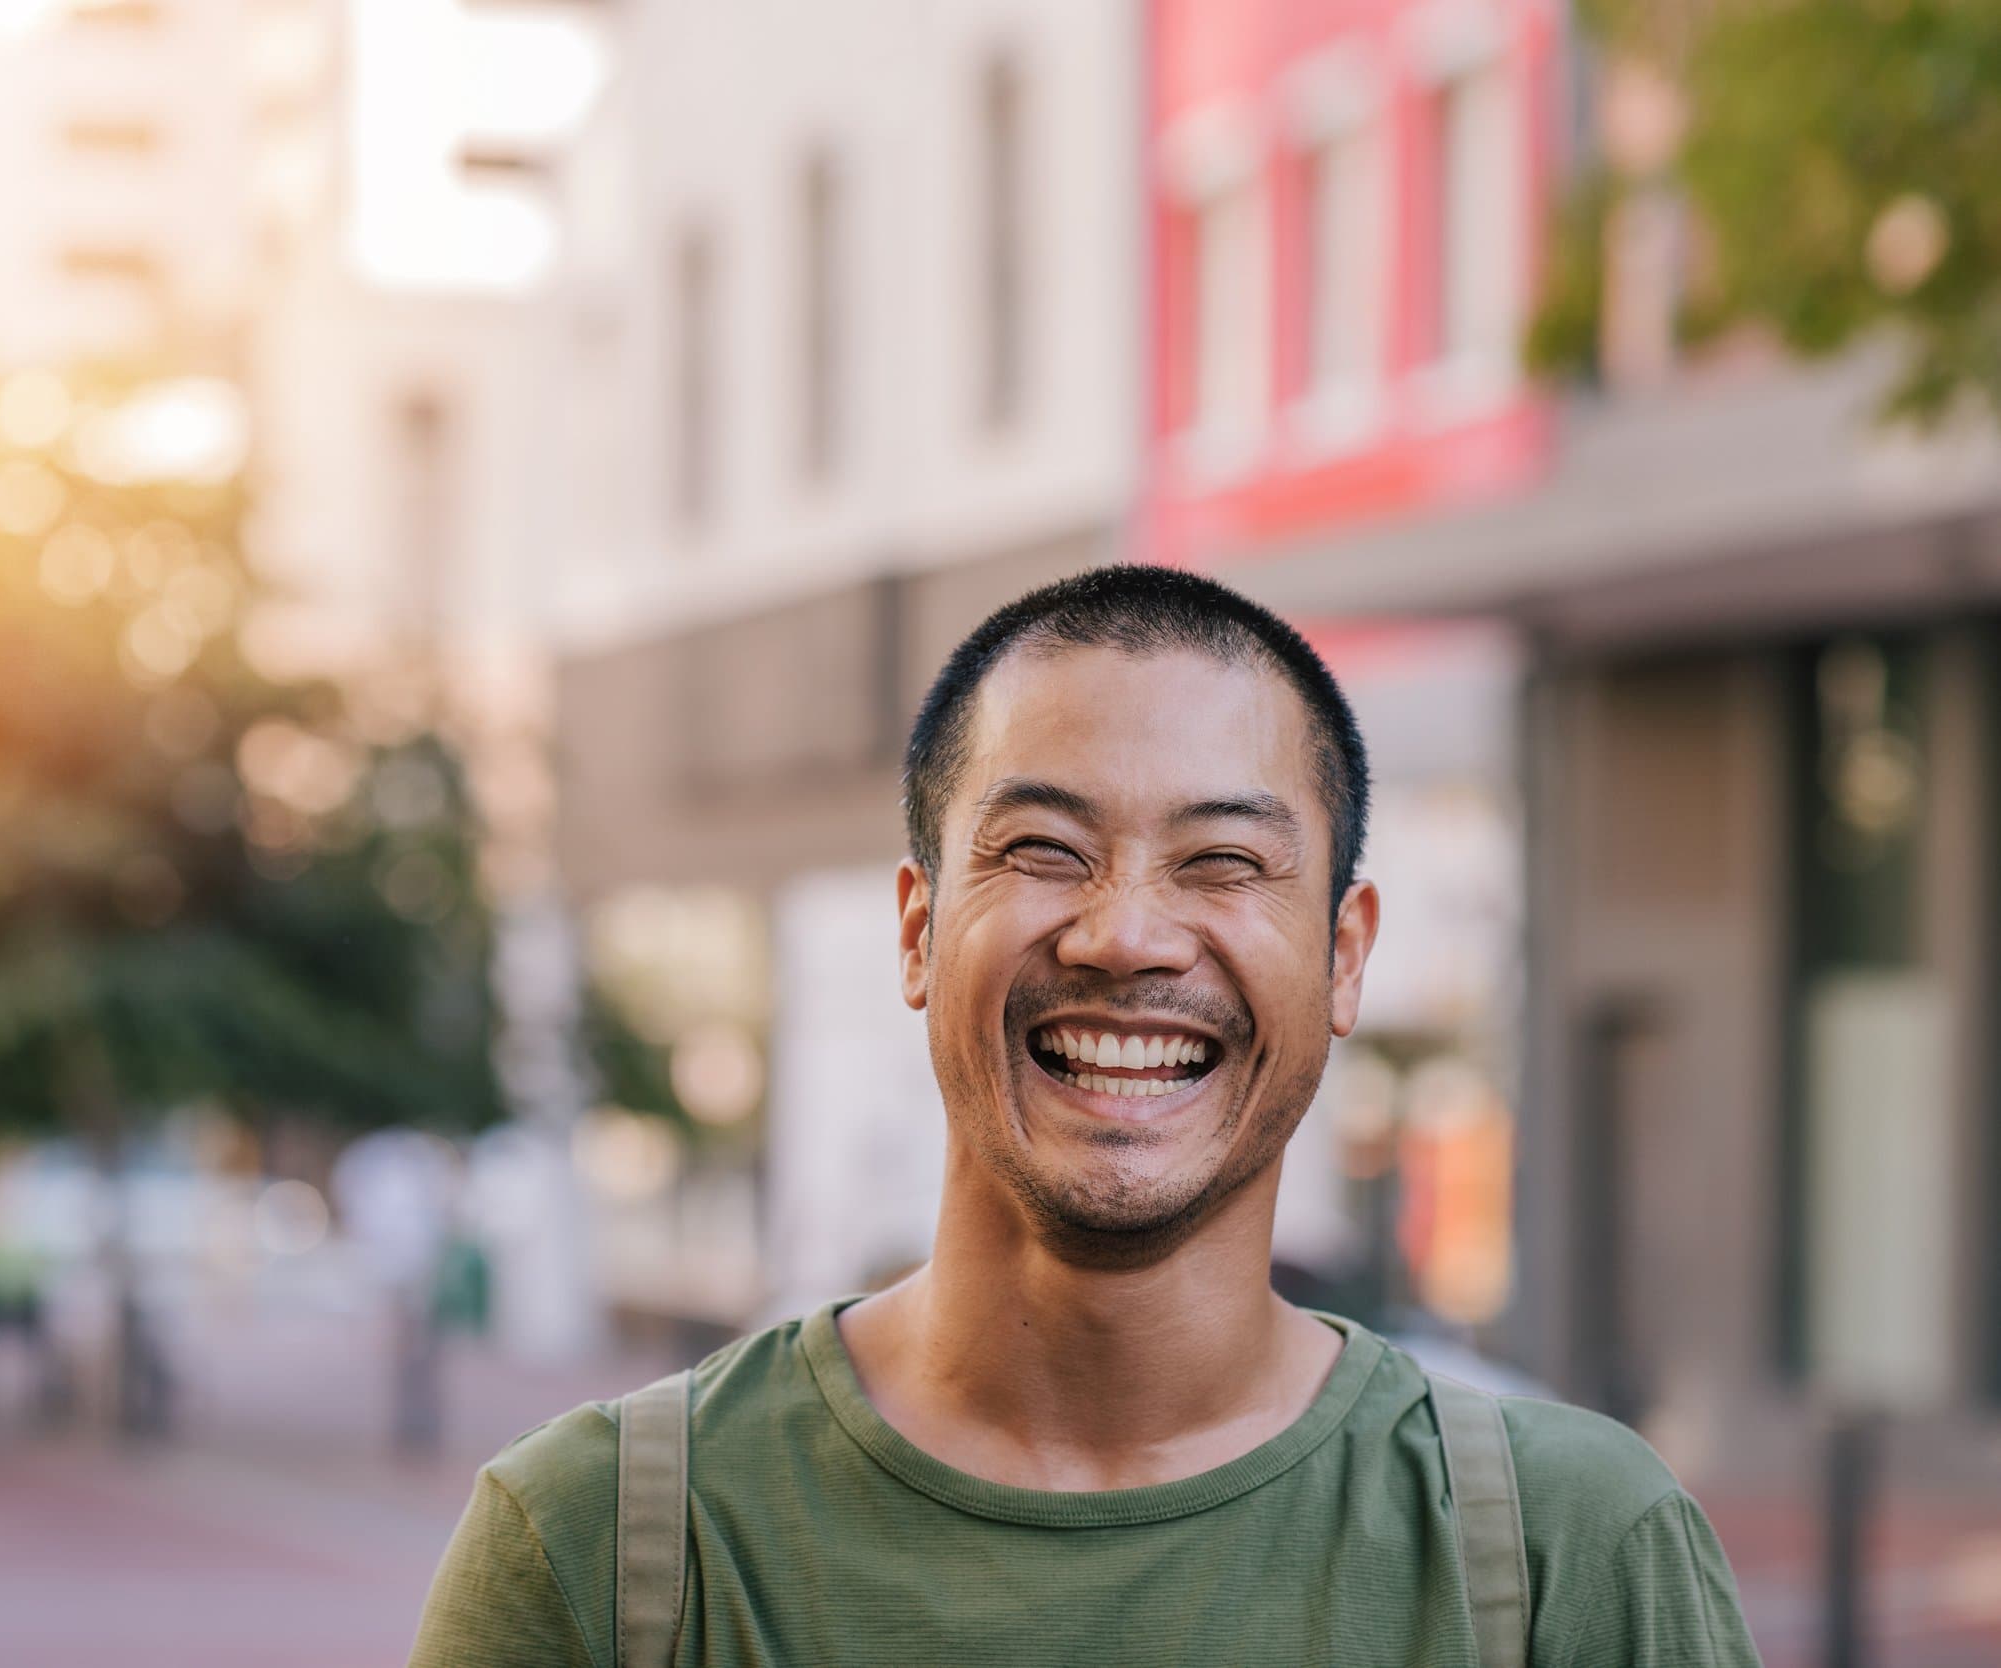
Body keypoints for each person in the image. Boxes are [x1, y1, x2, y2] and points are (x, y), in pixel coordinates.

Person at [409, 567, 1760, 1666]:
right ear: (919, 930)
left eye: (1224, 862)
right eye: (1044, 851)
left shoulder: (1571, 1559)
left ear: (1345, 956)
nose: (1124, 935)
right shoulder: (606, 1554)